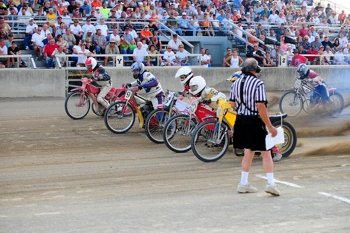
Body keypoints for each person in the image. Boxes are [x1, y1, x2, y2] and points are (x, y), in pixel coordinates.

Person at [229, 58, 280, 196]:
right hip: (254, 121)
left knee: (248, 151)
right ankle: (270, 184)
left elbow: (232, 105)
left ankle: (243, 183)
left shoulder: (235, 83)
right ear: (255, 70)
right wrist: (270, 126)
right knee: (266, 152)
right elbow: (261, 106)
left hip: (240, 120)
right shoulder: (258, 84)